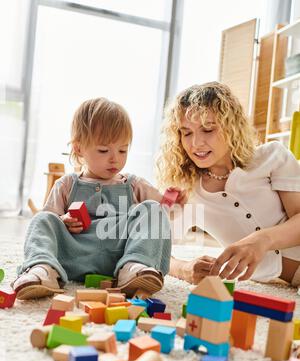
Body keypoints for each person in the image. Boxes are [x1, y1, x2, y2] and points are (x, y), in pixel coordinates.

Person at [13, 97, 176, 299]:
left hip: (121, 254)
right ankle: (43, 269)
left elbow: (165, 207)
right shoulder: (67, 184)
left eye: (122, 150)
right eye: (103, 150)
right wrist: (63, 221)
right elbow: (50, 222)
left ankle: (135, 266)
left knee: (152, 208)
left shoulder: (133, 183)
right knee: (41, 219)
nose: (115, 158)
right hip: (74, 255)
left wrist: (175, 195)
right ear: (79, 148)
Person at [156, 82, 300, 286]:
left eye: (207, 129)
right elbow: (151, 247)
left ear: (231, 126)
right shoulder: (184, 191)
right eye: (186, 132)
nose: (196, 143)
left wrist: (261, 240)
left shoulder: (271, 157)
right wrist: (184, 269)